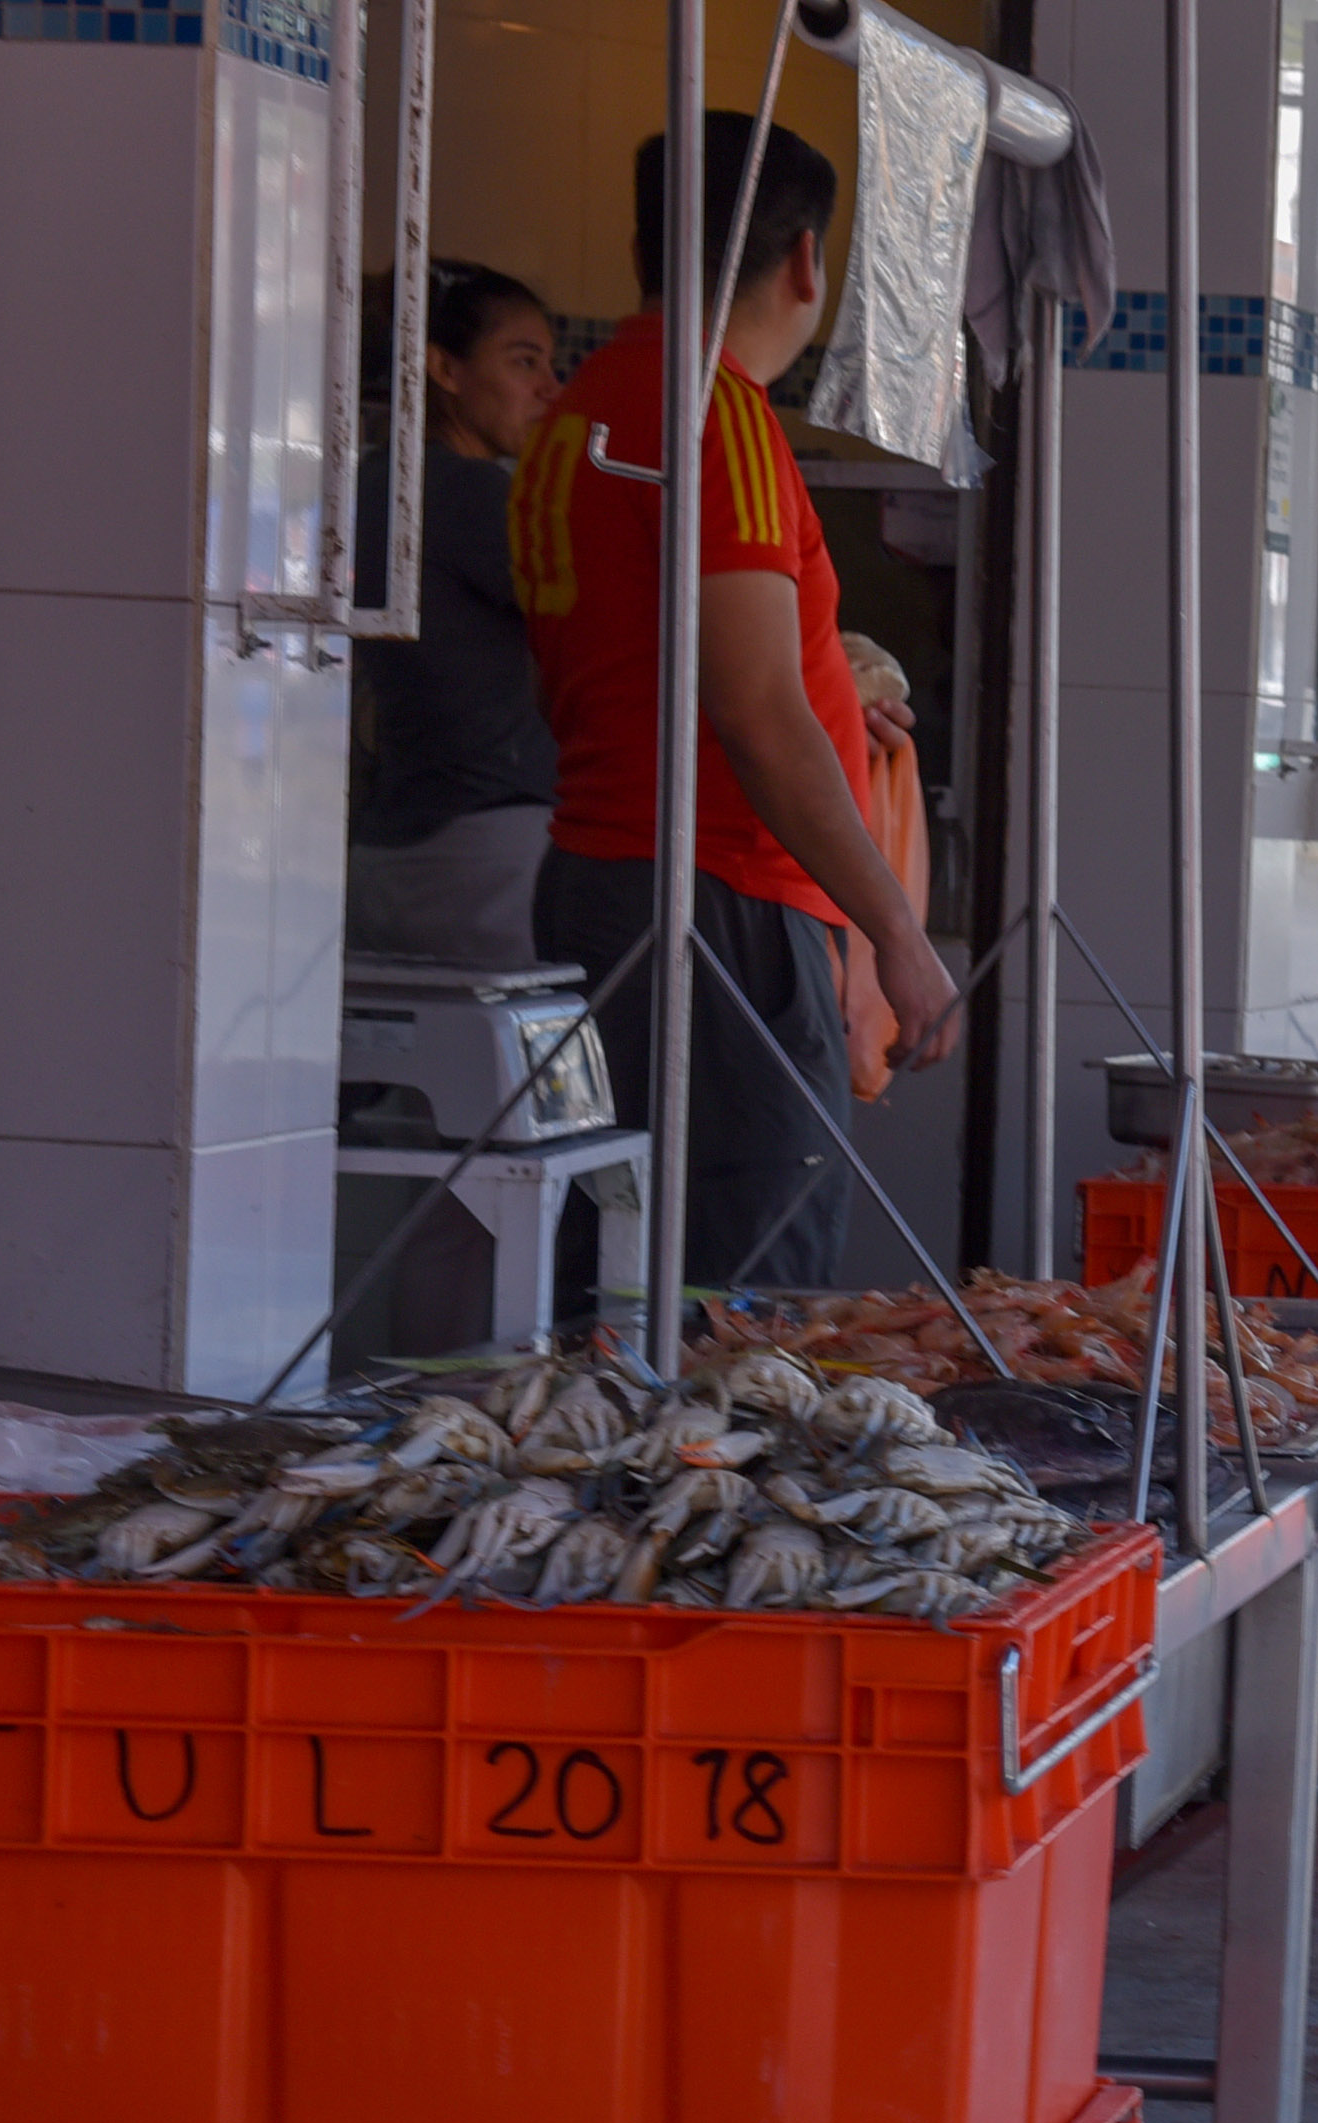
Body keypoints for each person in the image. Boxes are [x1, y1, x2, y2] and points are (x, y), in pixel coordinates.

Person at [510, 112, 959, 1289]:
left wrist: (826, 685)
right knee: (744, 1300)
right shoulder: (719, 415)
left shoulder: (579, 413)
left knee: (613, 1272)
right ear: (805, 260)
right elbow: (760, 716)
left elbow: (657, 661)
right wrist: (898, 938)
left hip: (601, 887)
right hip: (721, 911)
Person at [347, 261, 561, 968]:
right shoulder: (467, 491)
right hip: (487, 857)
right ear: (444, 368)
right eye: (523, 361)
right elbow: (612, 610)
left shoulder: (376, 479)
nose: (548, 389)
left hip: (390, 848)